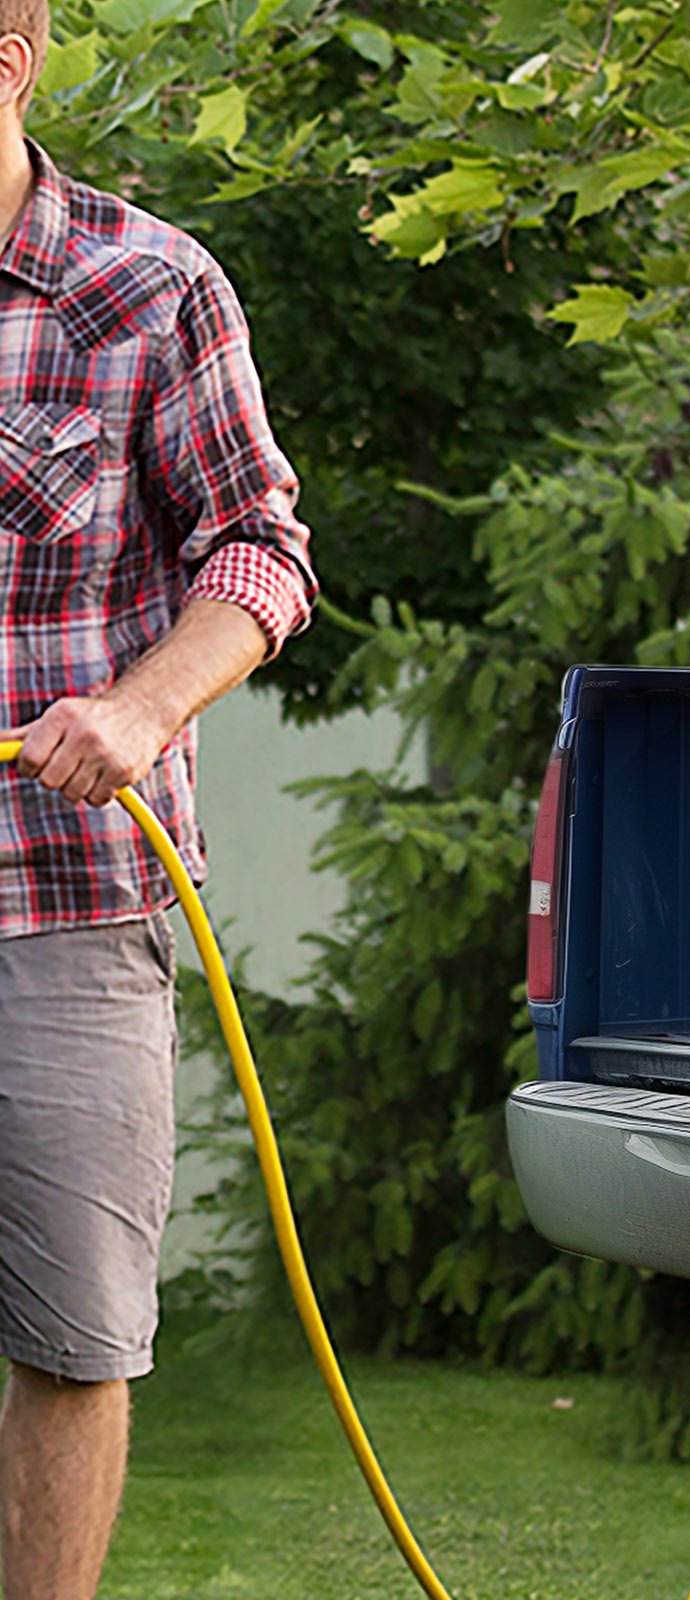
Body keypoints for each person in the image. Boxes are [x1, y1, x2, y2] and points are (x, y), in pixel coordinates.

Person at [0, 5, 317, 1595]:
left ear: (12, 57)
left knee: (71, 1338)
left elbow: (261, 556)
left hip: (62, 907)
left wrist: (136, 707)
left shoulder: (144, 288)